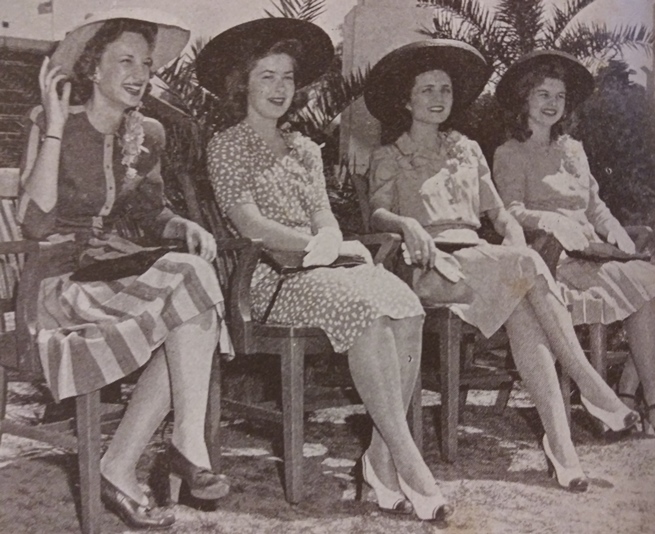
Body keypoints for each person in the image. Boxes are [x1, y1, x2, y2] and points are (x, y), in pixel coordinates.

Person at [197, 18, 452, 524]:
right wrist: (318, 245)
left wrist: (333, 238)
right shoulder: (227, 145)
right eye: (266, 76)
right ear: (243, 84)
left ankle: (380, 459)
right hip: (269, 279)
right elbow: (250, 224)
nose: (279, 88)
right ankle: (410, 463)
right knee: (365, 308)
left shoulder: (304, 148)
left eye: (287, 77)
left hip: (323, 270)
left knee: (405, 305)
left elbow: (322, 215)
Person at [364, 40, 638, 493]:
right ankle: (591, 387)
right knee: (524, 270)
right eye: (427, 90)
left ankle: (562, 448)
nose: (438, 98)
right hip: (430, 267)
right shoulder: (389, 155)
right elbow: (376, 214)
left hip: (481, 264)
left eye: (446, 89)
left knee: (525, 310)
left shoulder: (467, 150)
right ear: (406, 101)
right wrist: (406, 223)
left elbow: (499, 214)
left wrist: (513, 240)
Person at [18, 8, 231, 530]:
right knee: (192, 287)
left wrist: (184, 225)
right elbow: (35, 223)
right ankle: (184, 445)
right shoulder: (52, 121)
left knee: (192, 300)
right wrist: (54, 127)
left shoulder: (148, 133)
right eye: (126, 61)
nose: (141, 74)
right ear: (93, 69)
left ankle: (124, 463)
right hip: (57, 288)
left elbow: (151, 213)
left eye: (147, 63)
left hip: (111, 278)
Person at [493, 50, 655, 433]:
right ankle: (647, 398)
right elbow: (509, 211)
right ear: (524, 99)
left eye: (560, 96)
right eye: (543, 94)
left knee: (649, 280)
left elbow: (595, 206)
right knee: (644, 287)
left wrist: (617, 234)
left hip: (593, 253)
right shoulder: (510, 153)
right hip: (552, 259)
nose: (552, 104)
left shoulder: (573, 149)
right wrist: (549, 219)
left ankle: (632, 390)